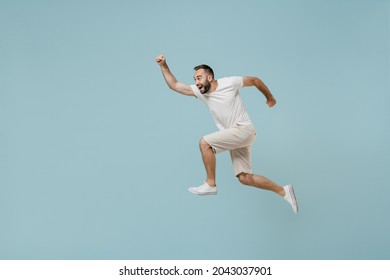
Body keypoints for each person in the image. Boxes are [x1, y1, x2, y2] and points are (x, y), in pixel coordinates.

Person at [155, 54, 298, 213]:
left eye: (199, 78)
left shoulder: (229, 82)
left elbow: (255, 81)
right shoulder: (201, 92)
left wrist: (270, 98)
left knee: (205, 143)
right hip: (236, 135)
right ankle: (284, 191)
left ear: (209, 77)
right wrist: (163, 66)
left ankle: (210, 184)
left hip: (243, 129)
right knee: (244, 178)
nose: (196, 82)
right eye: (195, 79)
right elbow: (174, 85)